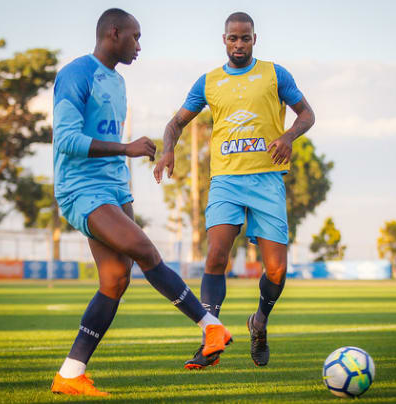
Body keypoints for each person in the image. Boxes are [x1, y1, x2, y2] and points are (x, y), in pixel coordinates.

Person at [50, 8, 232, 396]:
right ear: (112, 33)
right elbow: (66, 140)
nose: (139, 46)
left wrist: (124, 174)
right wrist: (126, 148)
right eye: (135, 37)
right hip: (81, 190)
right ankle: (210, 326)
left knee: (115, 281)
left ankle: (70, 373)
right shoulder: (75, 74)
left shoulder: (117, 82)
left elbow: (107, 140)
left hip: (113, 189)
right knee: (146, 250)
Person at [154, 12, 315, 369]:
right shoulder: (209, 82)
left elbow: (307, 114)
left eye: (245, 38)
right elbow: (175, 122)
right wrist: (167, 149)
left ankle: (259, 321)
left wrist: (289, 136)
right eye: (232, 38)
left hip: (267, 179)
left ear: (255, 39)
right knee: (215, 257)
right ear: (223, 40)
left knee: (277, 271)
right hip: (226, 180)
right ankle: (211, 336)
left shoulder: (275, 74)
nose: (238, 44)